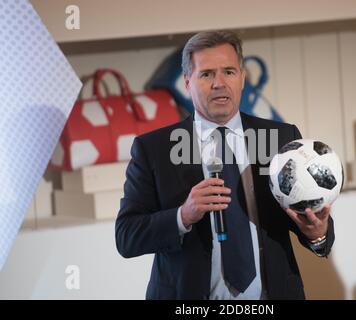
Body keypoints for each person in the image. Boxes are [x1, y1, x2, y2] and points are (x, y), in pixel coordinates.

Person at [115, 30, 334, 300]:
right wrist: (183, 215)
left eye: (229, 72)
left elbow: (314, 226)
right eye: (206, 74)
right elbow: (126, 237)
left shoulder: (281, 138)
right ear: (187, 82)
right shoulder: (155, 149)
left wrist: (317, 233)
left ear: (242, 78)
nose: (219, 83)